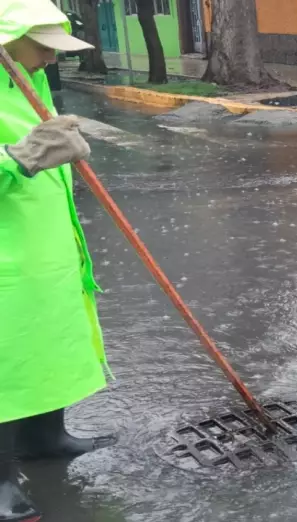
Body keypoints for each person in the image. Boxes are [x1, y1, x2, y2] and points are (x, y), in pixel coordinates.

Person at [1, 1, 117, 520]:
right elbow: (20, 156)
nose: (51, 56)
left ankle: (45, 438)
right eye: (43, 44)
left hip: (43, 242)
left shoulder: (26, 74)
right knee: (7, 365)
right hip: (7, 252)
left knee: (45, 343)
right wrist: (19, 158)